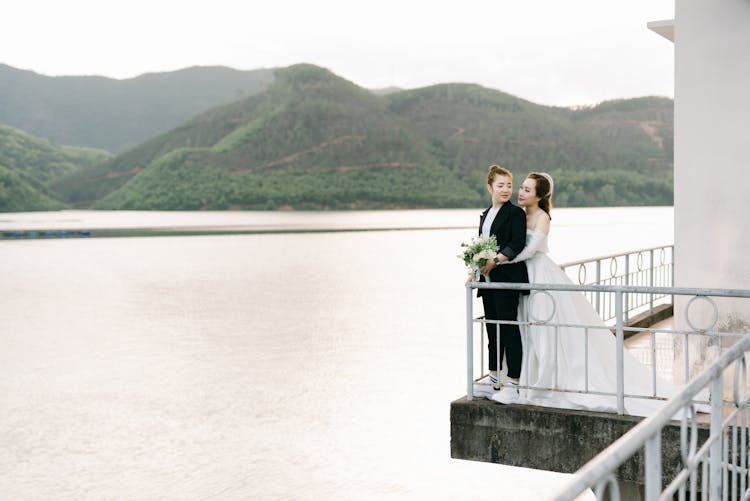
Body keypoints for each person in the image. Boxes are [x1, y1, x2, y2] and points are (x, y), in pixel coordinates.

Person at [491, 172, 707, 415]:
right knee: (525, 326)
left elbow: (529, 250)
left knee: (546, 325)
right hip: (520, 275)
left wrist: (500, 262)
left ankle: (548, 380)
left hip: (539, 274)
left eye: (527, 190)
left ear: (540, 196)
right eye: (521, 188)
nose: (521, 192)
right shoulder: (518, 215)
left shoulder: (543, 217)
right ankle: (520, 378)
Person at [471, 165, 529, 402]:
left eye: (508, 185)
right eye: (500, 185)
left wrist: (494, 261)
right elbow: (480, 246)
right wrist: (474, 270)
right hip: (488, 282)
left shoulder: (515, 213)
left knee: (508, 329)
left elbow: (516, 244)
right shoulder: (485, 214)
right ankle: (494, 381)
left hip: (507, 279)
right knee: (492, 330)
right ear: (490, 187)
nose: (506, 190)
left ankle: (515, 384)